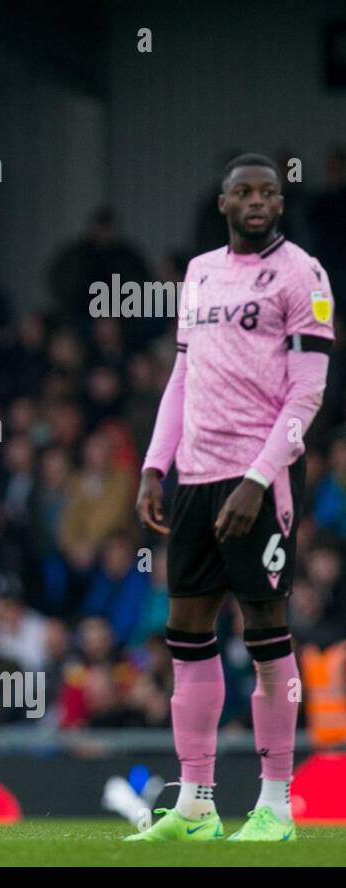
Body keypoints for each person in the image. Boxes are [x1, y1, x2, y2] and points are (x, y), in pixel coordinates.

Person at [132, 154, 335, 843]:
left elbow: (308, 393)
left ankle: (275, 805)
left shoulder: (304, 274)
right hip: (196, 474)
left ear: (280, 203)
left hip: (263, 476)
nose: (257, 201)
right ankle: (195, 802)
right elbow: (183, 376)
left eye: (268, 192)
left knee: (266, 633)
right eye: (244, 191)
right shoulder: (200, 273)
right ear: (223, 202)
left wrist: (257, 478)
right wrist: (156, 463)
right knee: (187, 634)